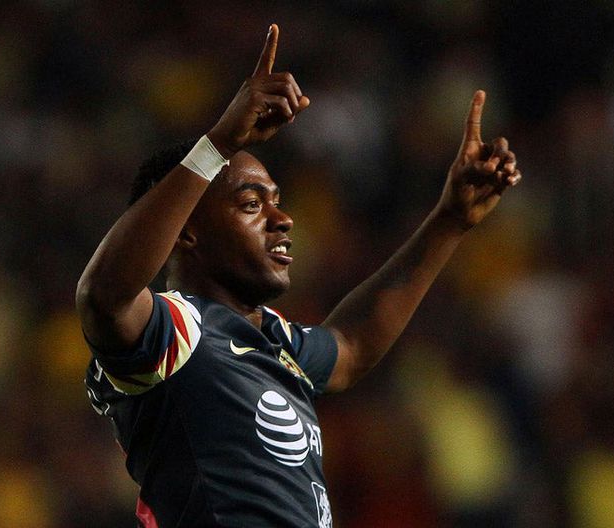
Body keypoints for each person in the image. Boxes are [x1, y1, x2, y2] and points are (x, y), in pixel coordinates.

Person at [77, 23, 521, 528]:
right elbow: (104, 296)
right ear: (186, 232)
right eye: (251, 204)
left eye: (277, 202)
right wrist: (216, 144)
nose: (283, 219)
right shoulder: (175, 332)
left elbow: (352, 345)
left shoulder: (275, 339)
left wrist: (450, 220)